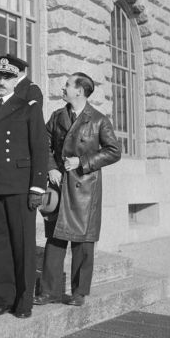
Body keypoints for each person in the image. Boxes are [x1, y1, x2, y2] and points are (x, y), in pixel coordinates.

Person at [34, 73, 121, 307]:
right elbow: (44, 143)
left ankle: (79, 292)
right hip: (59, 185)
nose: (63, 88)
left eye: (68, 85)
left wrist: (82, 162)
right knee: (54, 240)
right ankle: (49, 291)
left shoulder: (99, 120)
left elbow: (114, 151)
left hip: (85, 190)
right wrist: (51, 168)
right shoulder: (57, 116)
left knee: (83, 243)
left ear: (79, 91)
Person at [0, 55, 49, 318]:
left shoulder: (28, 106)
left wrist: (37, 187)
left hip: (19, 186)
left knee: (23, 247)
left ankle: (23, 302)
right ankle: (2, 299)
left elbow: (39, 147)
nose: (2, 82)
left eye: (7, 77)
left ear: (16, 80)